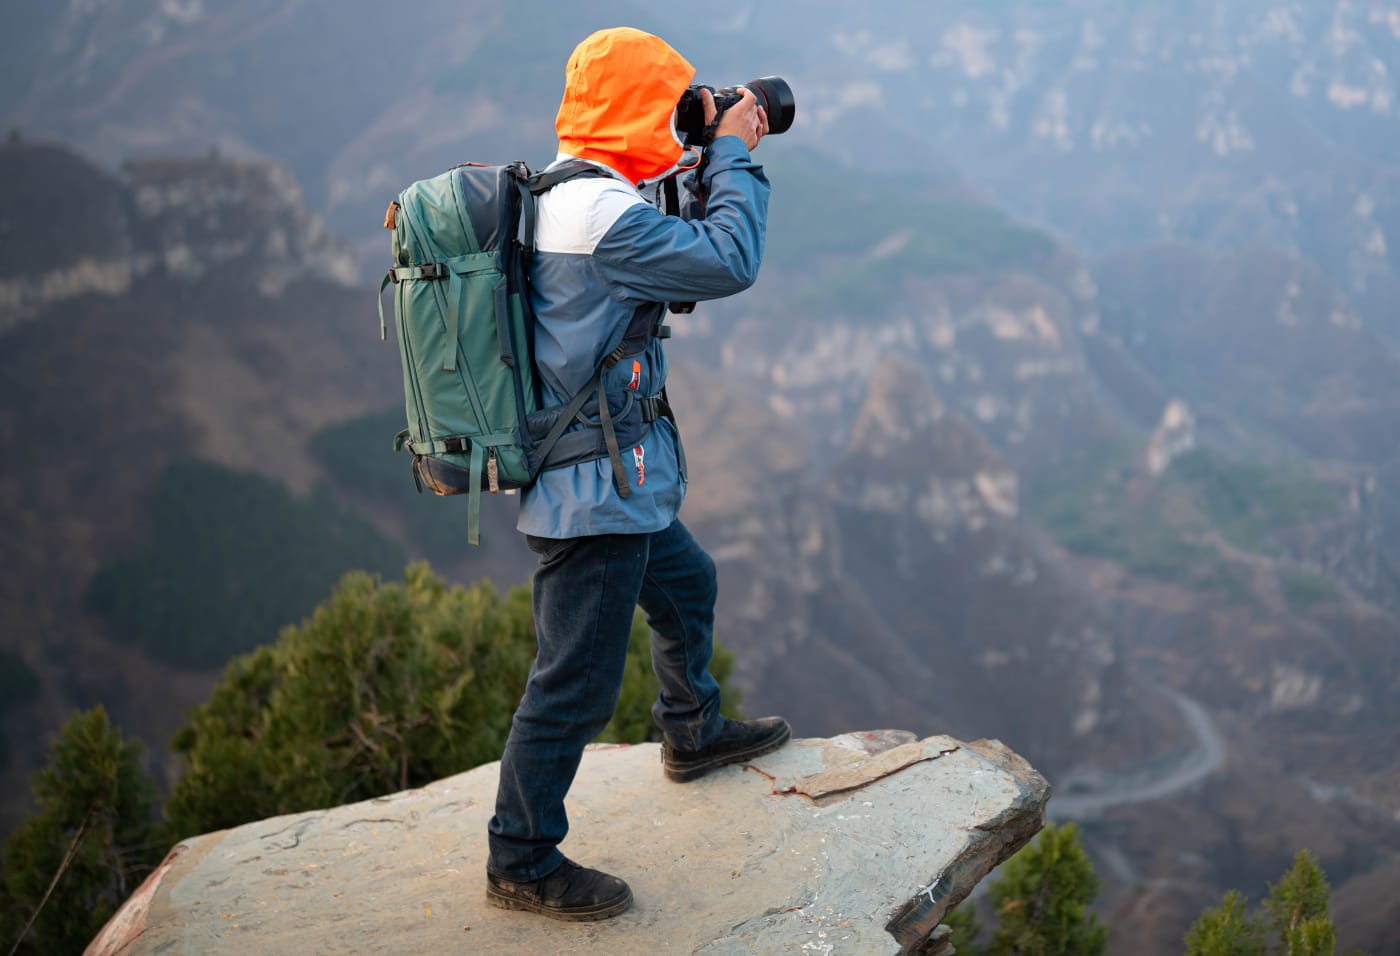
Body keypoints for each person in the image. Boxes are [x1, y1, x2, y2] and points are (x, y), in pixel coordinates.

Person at [485, 26, 791, 922]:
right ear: (633, 110)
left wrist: (697, 156)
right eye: (674, 103)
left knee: (689, 584)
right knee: (573, 682)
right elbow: (728, 262)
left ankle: (691, 729)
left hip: (615, 480)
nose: (688, 116)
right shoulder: (599, 217)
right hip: (591, 498)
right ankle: (522, 856)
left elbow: (655, 264)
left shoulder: (569, 189)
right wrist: (732, 151)